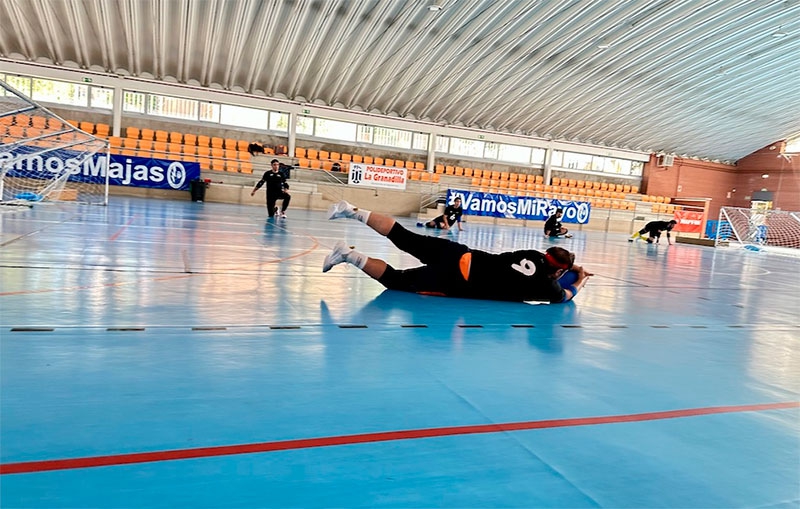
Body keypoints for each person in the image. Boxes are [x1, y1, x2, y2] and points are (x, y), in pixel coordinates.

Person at [323, 200, 592, 303]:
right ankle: (346, 254)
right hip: (456, 279)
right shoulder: (547, 287)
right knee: (395, 279)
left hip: (459, 253)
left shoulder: (533, 254)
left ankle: (351, 211)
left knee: (401, 236)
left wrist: (565, 267)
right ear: (557, 270)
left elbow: (545, 269)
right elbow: (566, 295)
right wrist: (580, 277)